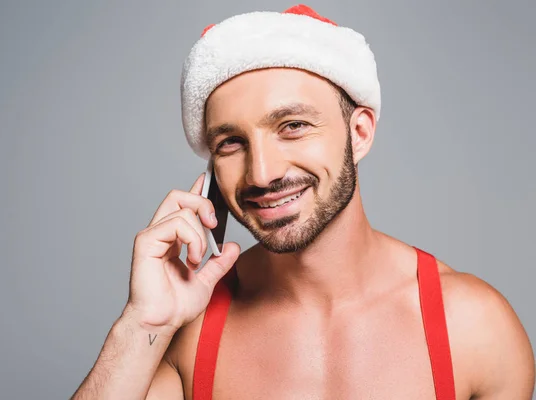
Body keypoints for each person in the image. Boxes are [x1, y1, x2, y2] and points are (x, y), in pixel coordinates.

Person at [71, 5, 535, 399]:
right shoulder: (184, 337)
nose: (262, 173)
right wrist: (140, 325)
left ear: (359, 133)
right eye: (231, 143)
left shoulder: (474, 329)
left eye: (293, 125)